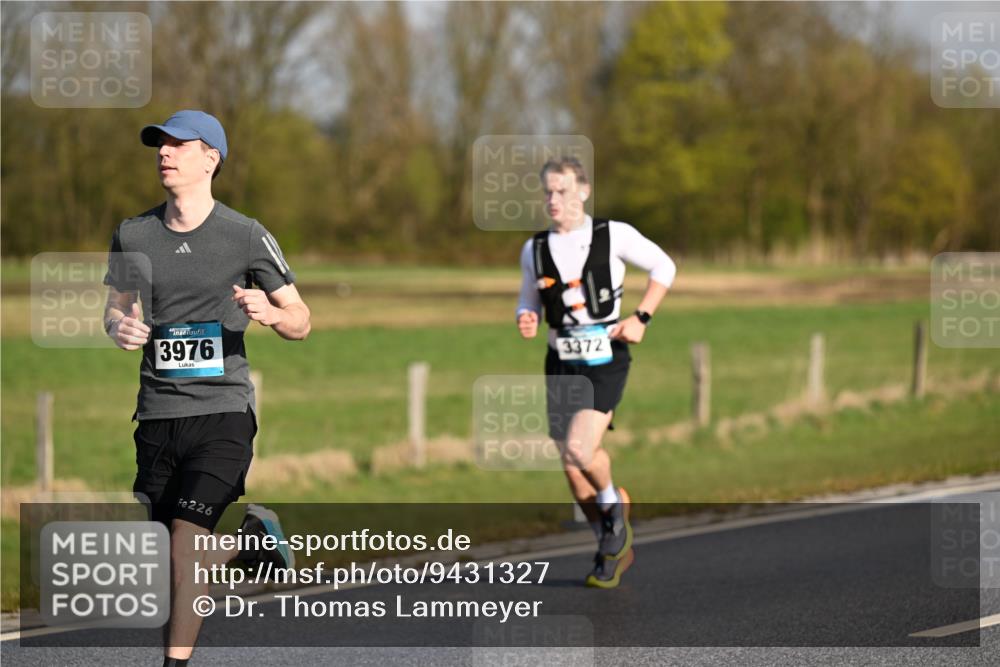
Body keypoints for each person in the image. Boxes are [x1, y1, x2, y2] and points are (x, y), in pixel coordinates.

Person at [103, 110, 310, 666]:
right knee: (166, 563)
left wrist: (270, 310)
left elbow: (302, 319)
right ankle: (250, 543)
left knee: (184, 547)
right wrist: (118, 326)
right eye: (159, 145)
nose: (164, 153)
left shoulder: (245, 234)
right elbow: (116, 308)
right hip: (157, 415)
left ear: (210, 157)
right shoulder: (133, 233)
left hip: (223, 413)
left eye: (178, 145)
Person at [516, 157, 675, 588]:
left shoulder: (613, 234)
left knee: (580, 451)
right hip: (560, 361)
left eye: (563, 191)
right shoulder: (534, 249)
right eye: (548, 192)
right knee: (571, 468)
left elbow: (665, 267)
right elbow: (527, 298)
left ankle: (613, 510)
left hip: (605, 357)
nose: (554, 200)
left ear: (583, 192)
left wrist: (642, 316)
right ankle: (610, 543)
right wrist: (526, 316)